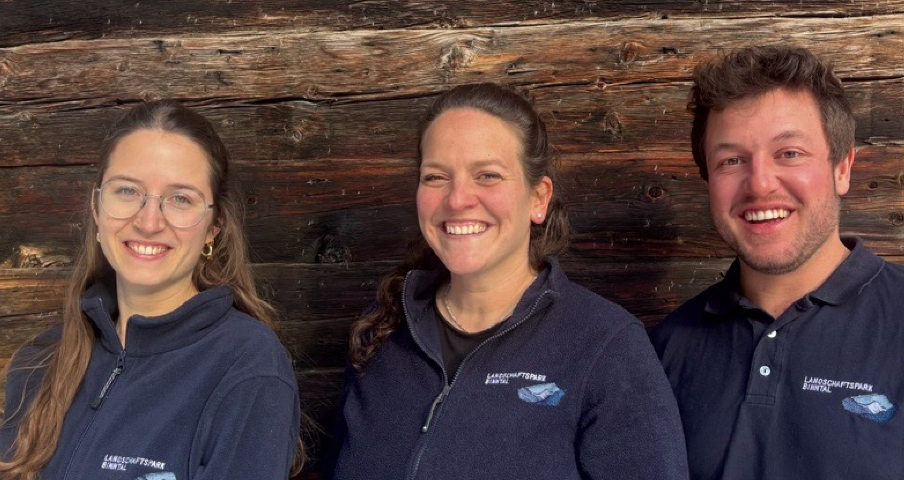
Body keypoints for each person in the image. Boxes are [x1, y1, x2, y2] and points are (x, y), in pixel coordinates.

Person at [325, 83, 688, 480]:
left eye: (488, 175)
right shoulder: (384, 330)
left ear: (538, 198)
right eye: (436, 177)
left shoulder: (606, 346)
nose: (458, 198)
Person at [0, 100, 302, 480]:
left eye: (180, 199)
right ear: (96, 209)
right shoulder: (39, 362)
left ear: (213, 227)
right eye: (127, 190)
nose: (148, 221)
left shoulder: (247, 367)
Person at [649, 46, 904, 480]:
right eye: (731, 160)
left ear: (843, 168)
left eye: (789, 153)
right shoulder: (665, 350)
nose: (760, 184)